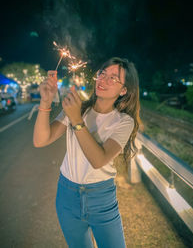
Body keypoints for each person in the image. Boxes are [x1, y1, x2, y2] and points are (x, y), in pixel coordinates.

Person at [33, 57, 141, 248]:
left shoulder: (123, 122)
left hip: (101, 199)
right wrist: (45, 101)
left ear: (124, 90)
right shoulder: (79, 109)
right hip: (67, 195)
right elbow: (41, 140)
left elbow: (98, 160)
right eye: (102, 73)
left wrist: (76, 120)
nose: (103, 80)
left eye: (113, 78)